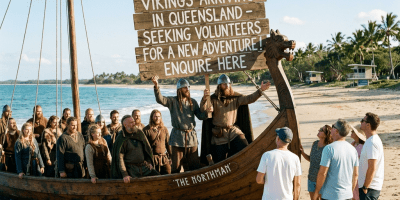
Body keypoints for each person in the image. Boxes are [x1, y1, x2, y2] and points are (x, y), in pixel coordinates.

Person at [201, 74, 270, 163]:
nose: (227, 86)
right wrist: (204, 99)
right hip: (219, 134)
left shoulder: (235, 98)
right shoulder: (213, 99)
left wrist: (260, 91)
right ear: (219, 86)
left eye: (228, 84)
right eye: (224, 84)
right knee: (219, 161)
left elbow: (249, 99)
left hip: (233, 131)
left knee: (245, 146)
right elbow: (203, 109)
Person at [151, 76, 209, 173]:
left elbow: (200, 116)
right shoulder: (173, 101)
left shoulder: (192, 102)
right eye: (185, 87)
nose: (187, 89)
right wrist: (156, 86)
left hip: (191, 137)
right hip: (177, 137)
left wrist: (207, 112)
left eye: (188, 87)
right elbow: (160, 99)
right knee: (176, 167)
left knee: (194, 165)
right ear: (179, 89)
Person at [313, 119, 359, 200]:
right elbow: (355, 175)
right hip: (347, 195)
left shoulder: (329, 148)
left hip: (330, 195)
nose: (331, 129)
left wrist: (316, 192)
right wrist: (349, 192)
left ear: (336, 131)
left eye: (333, 127)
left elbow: (322, 173)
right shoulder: (353, 149)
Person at [256, 127, 301, 200]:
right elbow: (297, 184)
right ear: (289, 141)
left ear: (277, 139)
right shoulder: (295, 158)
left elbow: (259, 180)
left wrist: (268, 180)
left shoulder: (267, 155)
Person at [111, 115, 159, 182]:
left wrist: (149, 161)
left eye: (133, 121)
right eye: (131, 122)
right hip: (130, 169)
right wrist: (125, 174)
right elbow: (120, 158)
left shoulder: (139, 133)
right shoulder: (121, 138)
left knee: (157, 176)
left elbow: (147, 149)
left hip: (144, 166)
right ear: (125, 125)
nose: (134, 123)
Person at [300, 125, 333, 200]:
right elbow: (311, 159)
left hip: (322, 181)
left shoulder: (328, 148)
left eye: (321, 130)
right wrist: (303, 153)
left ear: (325, 135)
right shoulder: (314, 143)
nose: (319, 130)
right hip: (311, 178)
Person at [358, 113, 384, 200]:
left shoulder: (372, 142)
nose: (361, 122)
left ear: (368, 125)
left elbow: (372, 167)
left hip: (370, 188)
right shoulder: (371, 140)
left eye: (362, 120)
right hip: (369, 187)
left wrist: (365, 186)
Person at [143, 110, 172, 175]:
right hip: (153, 159)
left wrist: (171, 157)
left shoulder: (164, 129)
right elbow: (144, 147)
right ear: (152, 117)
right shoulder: (146, 130)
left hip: (164, 158)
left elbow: (168, 144)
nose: (157, 118)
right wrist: (147, 161)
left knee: (168, 174)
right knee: (155, 177)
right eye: (155, 116)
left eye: (159, 116)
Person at [350, 124, 366, 200]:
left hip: (358, 175)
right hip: (353, 175)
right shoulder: (353, 144)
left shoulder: (361, 147)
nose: (351, 132)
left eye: (353, 131)